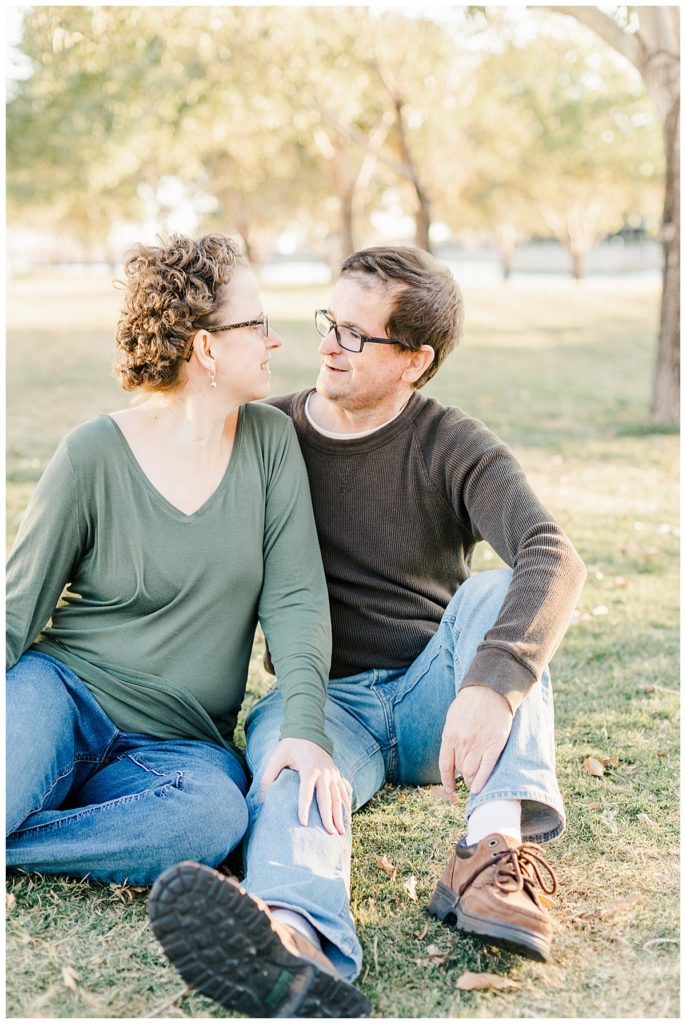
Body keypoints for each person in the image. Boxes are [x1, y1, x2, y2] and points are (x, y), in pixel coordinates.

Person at [149, 246, 586, 1017]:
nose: (326, 347)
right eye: (328, 323)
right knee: (288, 762)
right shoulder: (265, 433)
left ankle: (489, 852)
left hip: (435, 700)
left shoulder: (452, 443)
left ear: (415, 362)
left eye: (356, 335)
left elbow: (554, 556)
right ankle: (294, 942)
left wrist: (490, 685)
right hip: (325, 701)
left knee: (496, 590)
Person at [5, 235, 351, 909]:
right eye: (257, 325)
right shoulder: (91, 455)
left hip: (177, 750)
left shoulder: (271, 444)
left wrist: (306, 731)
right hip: (61, 699)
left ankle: (21, 847)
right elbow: (14, 610)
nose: (275, 341)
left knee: (215, 819)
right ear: (206, 348)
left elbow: (297, 601)